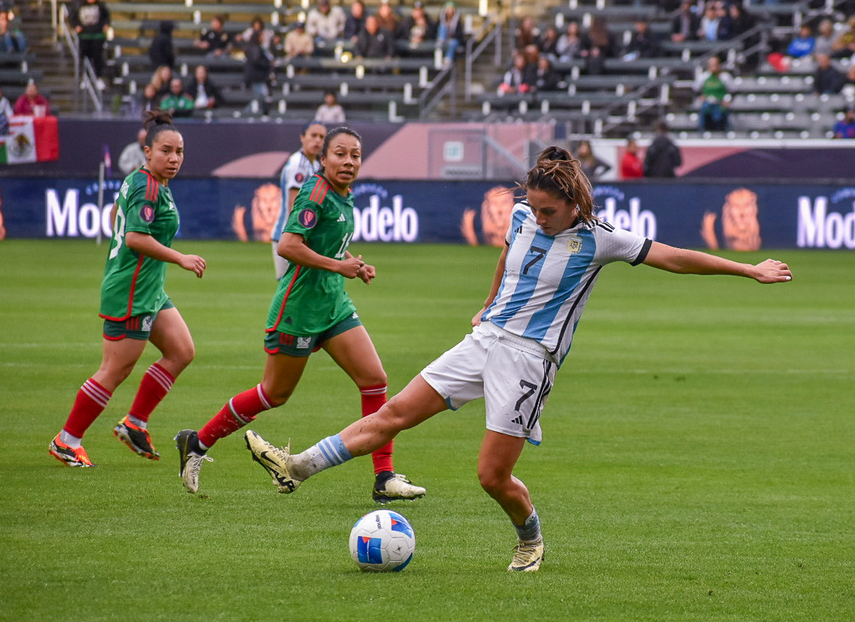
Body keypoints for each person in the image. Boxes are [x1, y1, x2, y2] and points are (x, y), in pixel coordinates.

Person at [242, 145, 793, 573]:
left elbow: (674, 257)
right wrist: (486, 306)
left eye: (550, 210)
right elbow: (509, 256)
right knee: (394, 415)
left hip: (531, 360)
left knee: (491, 476)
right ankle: (296, 467)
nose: (540, 216)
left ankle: (530, 538)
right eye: (534, 206)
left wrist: (749, 270)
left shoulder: (601, 239)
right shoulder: (525, 215)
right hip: (485, 341)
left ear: (575, 204)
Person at [175, 127, 427, 506]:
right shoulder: (314, 192)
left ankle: (384, 476)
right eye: (339, 154)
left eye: (355, 155)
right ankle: (197, 442)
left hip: (333, 306)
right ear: (322, 159)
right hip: (299, 311)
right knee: (273, 394)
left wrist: (351, 265)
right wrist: (336, 266)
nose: (348, 161)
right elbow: (288, 245)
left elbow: (326, 245)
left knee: (375, 381)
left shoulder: (345, 196)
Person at [48, 110, 207, 468]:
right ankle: (66, 440)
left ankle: (134, 423)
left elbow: (119, 219)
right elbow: (135, 237)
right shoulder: (148, 185)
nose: (174, 158)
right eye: (166, 150)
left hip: (149, 287)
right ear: (147, 151)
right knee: (113, 371)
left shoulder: (148, 183)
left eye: (179, 151)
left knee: (181, 350)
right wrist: (179, 258)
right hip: (131, 289)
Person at [272, 120, 326, 280]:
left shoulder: (315, 164)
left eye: (322, 137)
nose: (317, 140)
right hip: (290, 236)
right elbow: (294, 203)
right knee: (290, 292)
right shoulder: (298, 164)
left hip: (301, 236)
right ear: (302, 137)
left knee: (300, 293)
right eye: (313, 135)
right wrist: (298, 236)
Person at [69, 0, 110, 91]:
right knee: (85, 57)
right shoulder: (79, 6)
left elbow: (106, 17)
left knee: (97, 57)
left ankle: (98, 78)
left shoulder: (100, 6)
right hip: (84, 36)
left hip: (97, 35)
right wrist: (76, 26)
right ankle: (85, 78)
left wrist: (106, 25)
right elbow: (72, 18)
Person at [694, 56, 733, 132]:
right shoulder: (703, 77)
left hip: (720, 104)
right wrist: (700, 97)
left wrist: (728, 101)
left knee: (721, 116)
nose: (714, 67)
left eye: (715, 65)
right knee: (704, 114)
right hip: (707, 104)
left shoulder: (725, 77)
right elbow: (695, 89)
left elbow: (733, 91)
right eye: (711, 65)